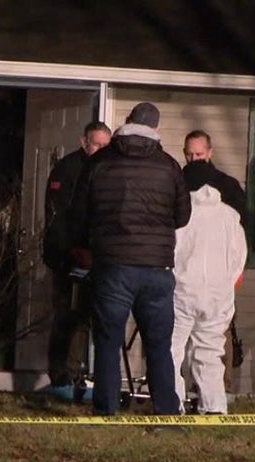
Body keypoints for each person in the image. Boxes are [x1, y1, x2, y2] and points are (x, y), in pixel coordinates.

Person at [68, 102, 191, 416]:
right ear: (156, 128)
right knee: (159, 345)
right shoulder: (169, 166)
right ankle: (166, 409)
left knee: (109, 340)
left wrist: (90, 244)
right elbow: (183, 215)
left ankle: (106, 408)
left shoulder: (99, 162)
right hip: (157, 267)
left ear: (126, 122)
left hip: (113, 265)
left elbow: (79, 213)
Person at [42, 121, 112, 401]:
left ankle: (79, 374)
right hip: (67, 259)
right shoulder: (68, 168)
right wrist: (73, 251)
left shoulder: (107, 168)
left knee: (86, 319)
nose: (101, 150)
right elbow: (59, 217)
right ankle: (60, 377)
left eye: (106, 145)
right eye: (97, 144)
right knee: (65, 318)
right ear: (85, 142)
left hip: (97, 259)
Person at [171, 160, 247, 414]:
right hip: (218, 295)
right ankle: (214, 407)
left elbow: (170, 253)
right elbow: (239, 257)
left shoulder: (179, 214)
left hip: (182, 290)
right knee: (211, 352)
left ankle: (173, 403)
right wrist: (225, 283)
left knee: (172, 348)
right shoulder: (230, 215)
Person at [182, 130, 247, 221]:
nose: (194, 159)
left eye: (199, 154)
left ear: (210, 153)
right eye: (189, 154)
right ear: (184, 153)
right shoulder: (176, 183)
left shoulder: (228, 185)